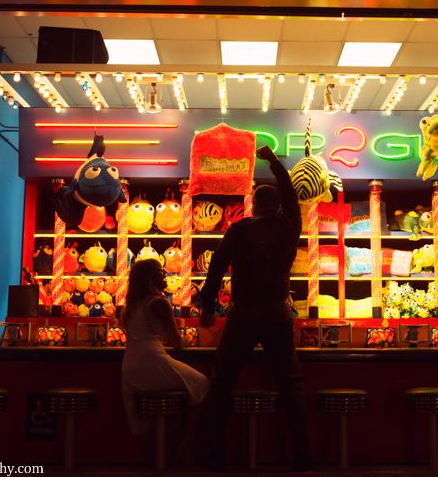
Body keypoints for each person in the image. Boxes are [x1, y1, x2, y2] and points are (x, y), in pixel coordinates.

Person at [200, 145, 312, 471]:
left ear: (255, 205)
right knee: (291, 384)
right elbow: (291, 193)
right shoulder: (289, 227)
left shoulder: (239, 229)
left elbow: (216, 267)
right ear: (277, 206)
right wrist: (274, 162)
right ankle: (302, 455)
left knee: (222, 382)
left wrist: (208, 305)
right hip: (277, 311)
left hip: (243, 312)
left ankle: (213, 455)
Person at [120, 259, 210, 436]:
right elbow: (176, 340)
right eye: (160, 272)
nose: (165, 274)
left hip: (130, 368)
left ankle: (166, 449)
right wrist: (187, 339)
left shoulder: (131, 306)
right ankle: (185, 447)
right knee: (203, 386)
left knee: (184, 396)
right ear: (151, 279)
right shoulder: (159, 303)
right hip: (152, 362)